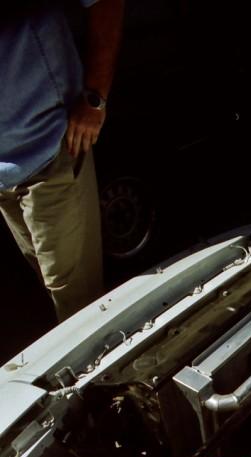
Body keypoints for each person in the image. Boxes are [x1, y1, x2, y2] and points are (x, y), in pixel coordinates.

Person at [0, 0, 124, 322]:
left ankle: (101, 369)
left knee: (76, 303)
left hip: (48, 150)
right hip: (3, 175)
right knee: (50, 284)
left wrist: (95, 99)